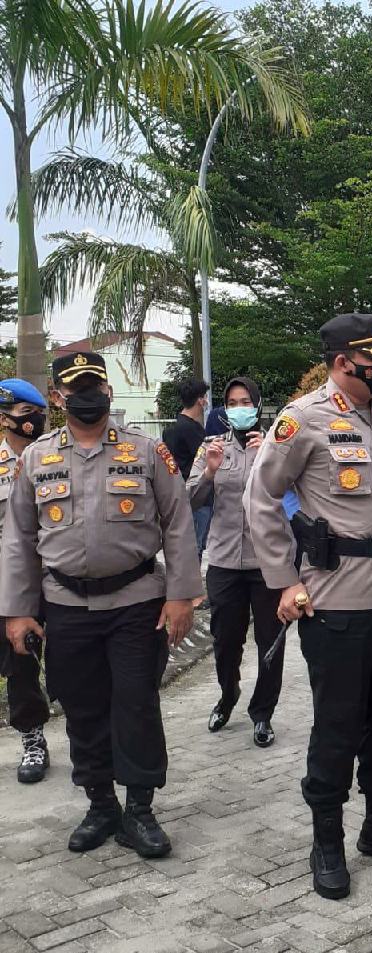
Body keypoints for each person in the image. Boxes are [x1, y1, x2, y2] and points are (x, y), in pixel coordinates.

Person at [244, 312, 372, 901]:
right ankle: (326, 839)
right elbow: (260, 498)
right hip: (335, 599)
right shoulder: (302, 419)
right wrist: (284, 581)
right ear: (342, 363)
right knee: (338, 724)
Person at [0, 351, 201, 858]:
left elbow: (178, 524)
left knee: (135, 703)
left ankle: (139, 810)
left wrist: (181, 596)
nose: (87, 395)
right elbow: (19, 540)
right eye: (76, 388)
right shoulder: (35, 458)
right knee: (83, 708)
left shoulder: (148, 450)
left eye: (95, 385)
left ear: (108, 391)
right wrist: (18, 611)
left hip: (136, 602)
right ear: (58, 397)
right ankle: (100, 803)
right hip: (64, 605)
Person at [187, 377, 285, 748]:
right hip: (225, 560)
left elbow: (296, 494)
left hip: (269, 562)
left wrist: (268, 460)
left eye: (245, 401)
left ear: (258, 406)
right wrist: (210, 471)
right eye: (232, 402)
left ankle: (263, 714)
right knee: (225, 641)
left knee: (270, 642)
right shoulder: (211, 448)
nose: (239, 407)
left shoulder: (278, 445)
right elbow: (188, 500)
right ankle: (228, 696)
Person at [0, 379, 52, 783]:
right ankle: (32, 737)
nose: (33, 421)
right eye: (23, 415)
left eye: (36, 414)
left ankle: (49, 734)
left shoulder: (51, 457)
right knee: (16, 663)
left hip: (50, 579)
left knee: (34, 661)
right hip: (4, 580)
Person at [164, 377, 211, 552]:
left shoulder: (172, 429)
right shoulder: (193, 430)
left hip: (178, 495)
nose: (206, 401)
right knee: (196, 548)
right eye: (204, 397)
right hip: (198, 497)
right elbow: (204, 460)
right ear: (200, 400)